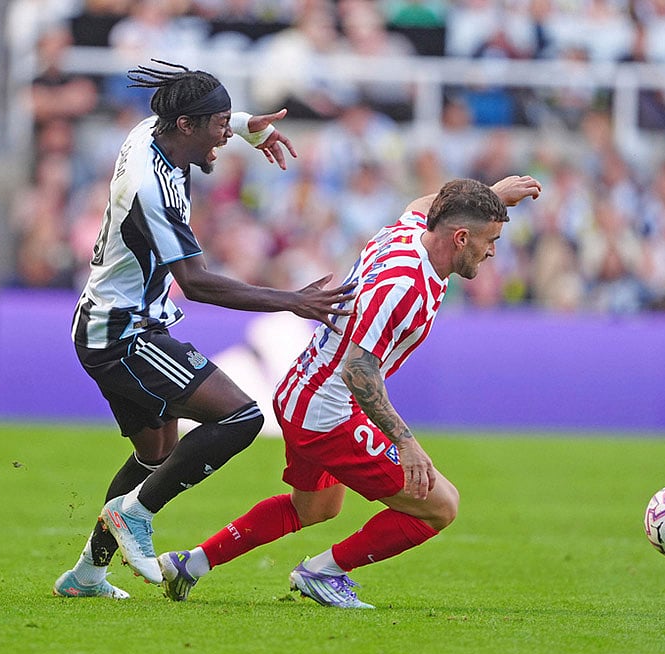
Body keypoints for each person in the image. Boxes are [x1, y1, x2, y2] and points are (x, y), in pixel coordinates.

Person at [155, 173, 542, 608]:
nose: (492, 252)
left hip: (301, 390)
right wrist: (405, 442)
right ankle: (322, 573)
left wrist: (491, 196)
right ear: (460, 238)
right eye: (490, 240)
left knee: (316, 508)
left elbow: (426, 203)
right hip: (328, 410)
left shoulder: (411, 231)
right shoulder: (404, 285)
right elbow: (359, 368)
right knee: (441, 505)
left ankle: (190, 564)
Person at [53, 60, 355, 599]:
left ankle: (87, 576)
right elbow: (194, 283)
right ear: (186, 125)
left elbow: (206, 125)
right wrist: (292, 301)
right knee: (240, 416)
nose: (223, 137)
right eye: (218, 125)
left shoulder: (152, 131)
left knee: (156, 455)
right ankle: (136, 513)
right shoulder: (152, 188)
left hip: (111, 321)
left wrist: (245, 126)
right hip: (123, 335)